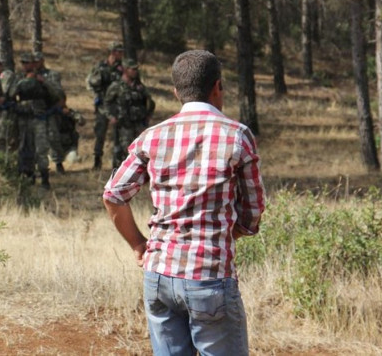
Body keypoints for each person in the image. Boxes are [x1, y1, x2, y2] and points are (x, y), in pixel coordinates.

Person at [102, 50, 265, 356]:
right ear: (217, 86)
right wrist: (234, 231)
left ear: (176, 92)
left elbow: (113, 195)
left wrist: (139, 245)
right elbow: (253, 213)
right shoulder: (237, 136)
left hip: (159, 275)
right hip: (210, 276)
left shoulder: (152, 137)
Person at [104, 58, 156, 169]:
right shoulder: (116, 86)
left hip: (139, 124)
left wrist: (148, 116)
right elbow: (106, 103)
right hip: (124, 125)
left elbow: (150, 102)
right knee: (124, 150)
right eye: (132, 69)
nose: (135, 71)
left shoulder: (140, 86)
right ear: (125, 70)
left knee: (141, 149)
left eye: (136, 69)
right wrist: (111, 117)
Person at [13, 52, 52, 188]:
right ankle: (28, 176)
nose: (25, 65)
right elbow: (11, 93)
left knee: (41, 148)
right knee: (25, 148)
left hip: (39, 117)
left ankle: (44, 177)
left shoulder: (43, 78)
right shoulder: (17, 78)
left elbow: (55, 94)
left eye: (27, 63)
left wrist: (43, 82)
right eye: (23, 63)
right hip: (23, 118)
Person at [86, 41, 124, 169]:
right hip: (102, 105)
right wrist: (96, 96)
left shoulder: (122, 68)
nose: (121, 54)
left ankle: (117, 161)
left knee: (118, 134)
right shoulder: (100, 66)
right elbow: (89, 82)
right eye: (119, 52)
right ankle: (97, 159)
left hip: (116, 106)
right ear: (113, 52)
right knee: (100, 133)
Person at [34, 51, 66, 174]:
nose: (36, 64)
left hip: (50, 110)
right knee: (38, 140)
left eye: (38, 61)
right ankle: (40, 166)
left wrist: (44, 82)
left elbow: (58, 91)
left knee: (54, 138)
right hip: (36, 111)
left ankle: (58, 162)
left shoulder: (52, 74)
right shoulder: (28, 75)